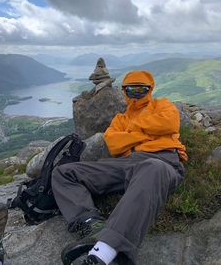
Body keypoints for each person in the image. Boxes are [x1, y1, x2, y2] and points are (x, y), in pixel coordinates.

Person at [52, 70, 187, 265]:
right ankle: (91, 223)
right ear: (124, 91)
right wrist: (150, 133)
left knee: (152, 168)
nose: (136, 94)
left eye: (142, 89)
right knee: (64, 173)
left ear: (150, 89)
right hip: (127, 163)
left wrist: (132, 133)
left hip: (163, 161)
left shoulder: (162, 105)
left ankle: (104, 253)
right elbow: (114, 143)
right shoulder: (120, 119)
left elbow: (170, 123)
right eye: (131, 89)